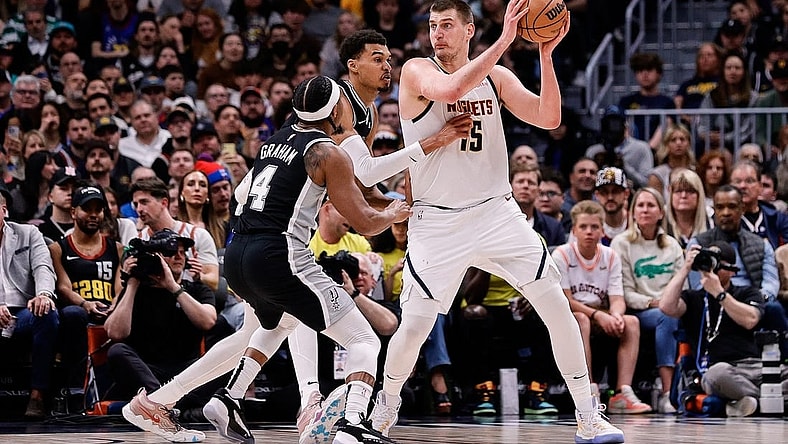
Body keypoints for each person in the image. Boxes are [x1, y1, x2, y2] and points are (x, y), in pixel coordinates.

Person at [368, 2, 624, 443]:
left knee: (557, 309)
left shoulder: (496, 78)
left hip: (496, 213)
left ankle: (588, 413)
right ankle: (383, 411)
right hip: (438, 222)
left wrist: (544, 53)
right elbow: (449, 91)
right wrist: (506, 39)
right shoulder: (415, 71)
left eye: (447, 25)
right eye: (433, 26)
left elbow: (550, 118)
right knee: (413, 327)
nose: (438, 33)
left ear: (469, 30)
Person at [202, 75, 410, 444]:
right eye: (344, 100)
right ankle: (353, 424)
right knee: (365, 341)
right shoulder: (328, 153)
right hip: (278, 255)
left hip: (236, 255)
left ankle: (229, 398)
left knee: (280, 322)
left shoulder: (273, 141)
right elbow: (363, 222)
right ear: (334, 109)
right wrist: (393, 214)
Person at [660, 240, 783, 417]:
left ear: (732, 270)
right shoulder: (693, 297)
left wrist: (720, 294)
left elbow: (750, 319)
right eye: (710, 263)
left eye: (719, 264)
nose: (714, 269)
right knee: (716, 374)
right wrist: (685, 268)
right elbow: (666, 307)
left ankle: (741, 404)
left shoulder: (747, 293)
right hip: (719, 372)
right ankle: (771, 402)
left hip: (754, 367)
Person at [552, 201, 652, 415]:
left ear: (602, 230)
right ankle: (588, 393)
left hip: (601, 311)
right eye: (583, 227)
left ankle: (622, 393)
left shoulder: (610, 255)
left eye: (594, 227)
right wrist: (599, 315)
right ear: (574, 231)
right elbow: (565, 299)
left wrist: (616, 315)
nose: (589, 232)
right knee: (581, 319)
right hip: (573, 313)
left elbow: (617, 297)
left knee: (631, 322)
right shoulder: (561, 255)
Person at [104, 228, 217, 401]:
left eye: (182, 252)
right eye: (170, 252)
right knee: (117, 351)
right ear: (154, 257)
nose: (178, 256)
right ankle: (168, 403)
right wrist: (133, 283)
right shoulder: (136, 291)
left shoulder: (197, 289)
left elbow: (208, 321)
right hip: (147, 372)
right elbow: (115, 333)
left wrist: (173, 288)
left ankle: (163, 404)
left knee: (226, 357)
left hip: (186, 371)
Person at [610, 188, 683, 414]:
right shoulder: (621, 243)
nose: (644, 210)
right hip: (639, 310)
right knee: (666, 317)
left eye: (651, 205)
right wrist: (657, 302)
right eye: (640, 205)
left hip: (668, 307)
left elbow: (682, 286)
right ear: (632, 212)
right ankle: (667, 393)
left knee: (677, 314)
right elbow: (624, 291)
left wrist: (669, 303)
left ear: (661, 212)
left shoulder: (672, 245)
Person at [49, 185, 123, 389]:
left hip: (110, 310)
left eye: (98, 210)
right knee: (74, 314)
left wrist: (114, 307)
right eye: (86, 209)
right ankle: (74, 388)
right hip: (77, 311)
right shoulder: (58, 248)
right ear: (73, 212)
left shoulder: (117, 248)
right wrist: (85, 304)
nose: (93, 215)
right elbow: (63, 287)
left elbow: (119, 289)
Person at [0, 182, 58, 418]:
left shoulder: (28, 233)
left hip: (22, 310)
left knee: (48, 314)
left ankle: (37, 395)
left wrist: (43, 294)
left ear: (4, 210)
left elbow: (44, 267)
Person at [131, 177, 220, 291]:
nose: (139, 209)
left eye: (144, 202)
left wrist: (200, 276)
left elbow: (215, 283)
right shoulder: (139, 241)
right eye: (136, 204)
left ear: (164, 203)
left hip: (191, 301)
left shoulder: (198, 235)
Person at [586, 105, 654, 189]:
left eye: (616, 124)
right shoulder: (593, 151)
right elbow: (586, 183)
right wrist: (597, 167)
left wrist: (624, 166)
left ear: (625, 126)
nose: (612, 128)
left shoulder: (641, 148)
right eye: (608, 124)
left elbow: (646, 183)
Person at [510, 162, 565, 248]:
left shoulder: (554, 227)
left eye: (531, 183)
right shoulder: (498, 223)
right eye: (520, 182)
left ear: (539, 191)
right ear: (511, 187)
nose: (525, 186)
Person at [648, 124, 695, 203]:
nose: (678, 143)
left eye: (682, 139)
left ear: (688, 144)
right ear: (666, 145)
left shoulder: (695, 171)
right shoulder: (657, 175)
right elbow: (655, 203)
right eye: (673, 140)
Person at [664, 168, 709, 248]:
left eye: (690, 191)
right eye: (678, 191)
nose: (683, 196)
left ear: (699, 195)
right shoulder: (660, 220)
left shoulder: (711, 219)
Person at [593, 166, 631, 246]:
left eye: (615, 192)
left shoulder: (637, 223)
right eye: (604, 192)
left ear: (626, 194)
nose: (610, 197)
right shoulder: (588, 224)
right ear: (597, 195)